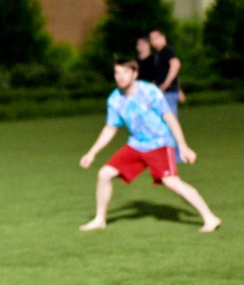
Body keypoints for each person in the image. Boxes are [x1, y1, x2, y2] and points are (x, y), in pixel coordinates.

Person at [79, 58, 221, 233]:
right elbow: (110, 128)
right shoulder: (115, 99)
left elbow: (170, 118)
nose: (120, 77)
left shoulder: (149, 91)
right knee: (104, 173)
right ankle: (100, 220)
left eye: (125, 72)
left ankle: (210, 218)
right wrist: (91, 152)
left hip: (160, 143)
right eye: (117, 72)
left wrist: (183, 146)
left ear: (135, 74)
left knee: (172, 182)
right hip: (136, 145)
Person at [149, 28, 185, 115]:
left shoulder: (167, 51)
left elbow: (175, 65)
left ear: (163, 37)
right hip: (162, 92)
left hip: (168, 92)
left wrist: (165, 85)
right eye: (151, 39)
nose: (153, 41)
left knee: (170, 121)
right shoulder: (158, 54)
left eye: (156, 38)